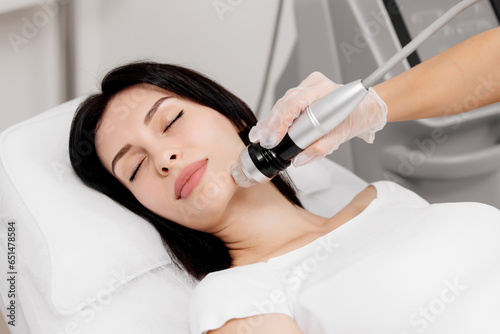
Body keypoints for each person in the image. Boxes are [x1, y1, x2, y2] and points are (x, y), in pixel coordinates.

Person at [69, 27, 500, 334]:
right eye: (136, 169)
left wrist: (375, 104)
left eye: (171, 120)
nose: (164, 157)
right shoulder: (235, 300)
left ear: (236, 116)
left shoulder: (386, 200)